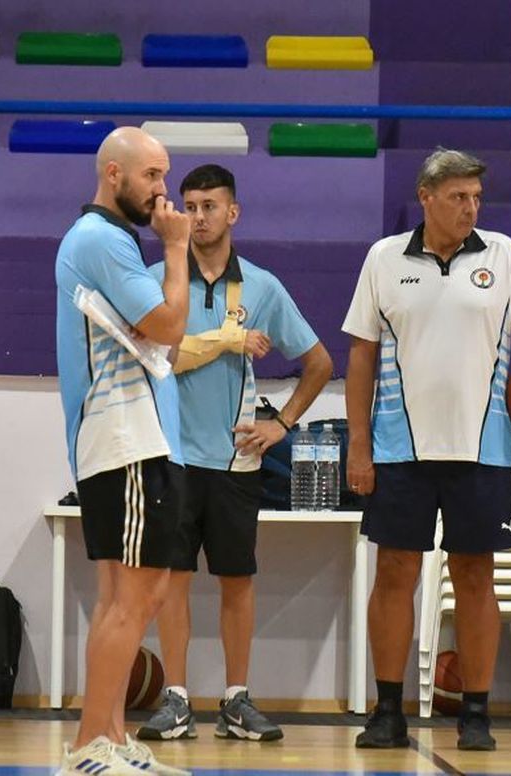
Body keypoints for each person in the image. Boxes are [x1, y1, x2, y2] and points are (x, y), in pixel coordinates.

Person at [341, 148, 511, 751]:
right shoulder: (383, 259)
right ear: (426, 197)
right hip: (398, 450)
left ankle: (477, 715)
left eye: (477, 198)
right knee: (395, 573)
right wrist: (359, 444)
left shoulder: (504, 256)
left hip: (483, 451)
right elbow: (360, 355)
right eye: (458, 197)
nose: (471, 208)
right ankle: (388, 711)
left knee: (474, 574)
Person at [137, 164, 333, 745]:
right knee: (171, 579)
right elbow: (159, 356)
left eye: (210, 206)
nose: (198, 217)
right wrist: (226, 340)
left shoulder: (263, 288)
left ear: (233, 212)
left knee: (236, 579)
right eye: (190, 206)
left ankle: (235, 699)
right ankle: (176, 699)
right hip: (170, 457)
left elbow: (319, 363)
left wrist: (282, 425)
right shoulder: (157, 279)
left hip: (235, 461)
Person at [53, 127, 194, 776]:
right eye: (152, 175)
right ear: (114, 174)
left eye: (165, 175)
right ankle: (88, 744)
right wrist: (177, 249)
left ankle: (109, 738)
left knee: (127, 597)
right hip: (126, 440)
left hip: (128, 442)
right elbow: (168, 325)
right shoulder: (102, 240)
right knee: (136, 598)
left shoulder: (105, 239)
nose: (164, 191)